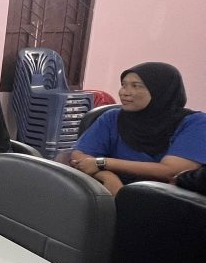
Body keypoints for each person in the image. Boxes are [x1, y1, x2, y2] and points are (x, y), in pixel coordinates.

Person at [71, 62, 206, 196]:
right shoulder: (112, 117)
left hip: (166, 198)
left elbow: (171, 171)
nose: (124, 93)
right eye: (123, 85)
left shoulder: (195, 123)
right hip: (111, 193)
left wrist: (103, 163)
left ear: (160, 91)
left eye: (136, 86)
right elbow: (79, 157)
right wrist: (108, 177)